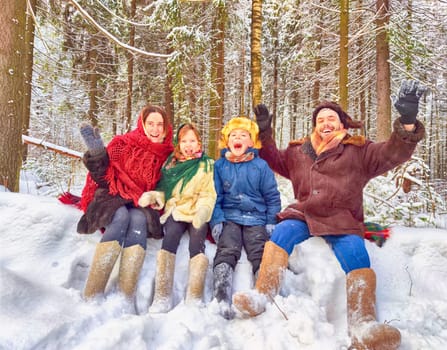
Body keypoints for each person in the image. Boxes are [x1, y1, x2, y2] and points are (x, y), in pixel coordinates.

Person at [233, 80, 426, 350]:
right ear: (315, 125)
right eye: (321, 119)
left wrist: (407, 121)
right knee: (282, 233)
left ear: (342, 125)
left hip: (343, 220)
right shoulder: (299, 151)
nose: (326, 123)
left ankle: (363, 324)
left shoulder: (360, 151)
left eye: (331, 119)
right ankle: (263, 295)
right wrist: (264, 133)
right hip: (303, 215)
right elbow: (273, 159)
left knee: (358, 256)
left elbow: (393, 152)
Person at [78, 104, 174, 302]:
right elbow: (103, 178)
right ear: (142, 124)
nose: (155, 129)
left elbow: (170, 185)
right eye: (151, 123)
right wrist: (98, 154)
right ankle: (92, 291)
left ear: (166, 128)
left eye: (160, 124)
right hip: (112, 195)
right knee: (120, 216)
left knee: (138, 220)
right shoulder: (124, 144)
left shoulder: (169, 154)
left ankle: (125, 294)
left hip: (141, 203)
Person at [138, 123, 216, 313]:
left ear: (199, 143)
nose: (188, 145)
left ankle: (195, 295)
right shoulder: (171, 164)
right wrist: (156, 196)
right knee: (170, 238)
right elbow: (166, 190)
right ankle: (162, 296)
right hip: (177, 209)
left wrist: (203, 211)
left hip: (197, 210)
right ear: (178, 144)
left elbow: (209, 193)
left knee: (197, 243)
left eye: (192, 141)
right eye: (184, 141)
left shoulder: (207, 165)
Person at [210, 116, 282, 319]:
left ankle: (264, 294)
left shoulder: (261, 166)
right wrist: (216, 220)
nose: (238, 138)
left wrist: (270, 220)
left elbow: (272, 196)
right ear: (227, 141)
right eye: (233, 135)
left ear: (251, 142)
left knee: (259, 248)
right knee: (228, 247)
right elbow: (214, 196)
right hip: (230, 217)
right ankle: (221, 295)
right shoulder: (220, 166)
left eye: (243, 135)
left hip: (256, 218)